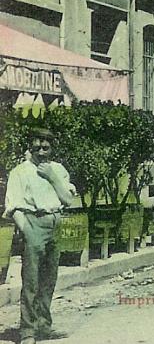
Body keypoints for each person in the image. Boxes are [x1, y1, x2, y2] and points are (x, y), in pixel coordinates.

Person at [4, 127, 76, 344]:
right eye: (38, 143)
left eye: (47, 144)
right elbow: (13, 207)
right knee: (32, 280)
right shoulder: (20, 172)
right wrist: (27, 230)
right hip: (33, 223)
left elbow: (67, 199)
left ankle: (43, 326)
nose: (42, 149)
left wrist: (52, 178)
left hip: (54, 223)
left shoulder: (58, 170)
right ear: (31, 145)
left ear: (52, 148)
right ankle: (27, 332)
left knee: (49, 278)